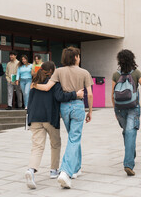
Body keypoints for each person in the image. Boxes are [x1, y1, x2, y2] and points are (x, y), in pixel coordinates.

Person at [32, 47, 93, 189]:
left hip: (64, 108)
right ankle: (65, 172)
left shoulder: (59, 71)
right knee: (74, 138)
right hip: (78, 107)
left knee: (73, 137)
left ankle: (76, 168)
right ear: (76, 57)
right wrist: (90, 111)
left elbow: (47, 87)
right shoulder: (84, 72)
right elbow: (89, 94)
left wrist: (34, 85)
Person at [25, 61, 84, 189]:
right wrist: (76, 94)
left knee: (37, 146)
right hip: (49, 117)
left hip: (35, 118)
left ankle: (31, 170)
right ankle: (53, 170)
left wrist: (29, 117)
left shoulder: (34, 82)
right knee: (55, 144)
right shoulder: (54, 82)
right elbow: (60, 96)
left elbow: (29, 101)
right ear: (52, 71)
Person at [112, 49, 141, 176]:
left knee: (127, 132)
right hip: (133, 107)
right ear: (132, 59)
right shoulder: (136, 73)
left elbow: (112, 94)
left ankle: (130, 154)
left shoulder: (116, 75)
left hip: (119, 108)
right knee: (130, 133)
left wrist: (115, 110)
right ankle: (128, 164)